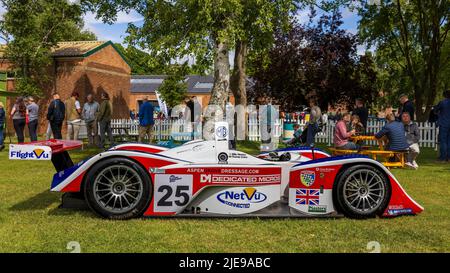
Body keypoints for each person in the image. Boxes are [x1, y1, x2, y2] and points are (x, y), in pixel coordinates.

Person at [435, 89, 450, 162]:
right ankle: (449, 157)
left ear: (445, 95)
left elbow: (435, 110)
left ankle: (443, 157)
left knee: (443, 141)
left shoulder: (442, 102)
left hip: (444, 123)